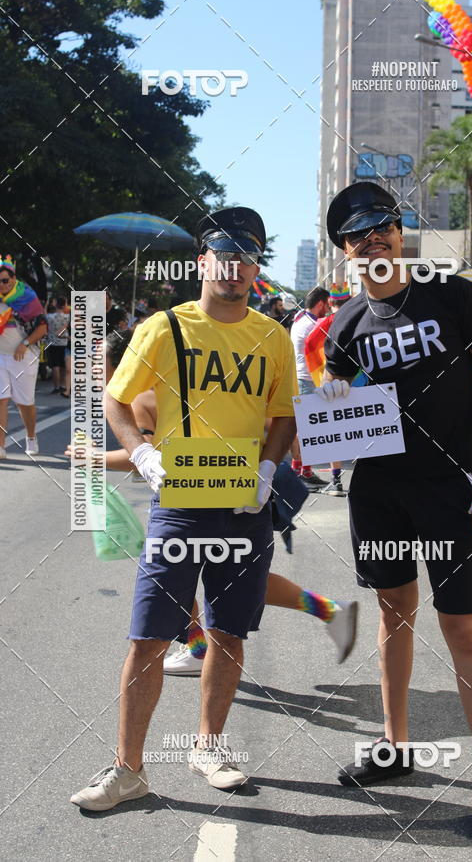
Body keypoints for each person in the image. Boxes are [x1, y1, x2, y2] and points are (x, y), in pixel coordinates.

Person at [71, 206, 298, 810]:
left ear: (256, 270)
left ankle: (208, 746)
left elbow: (283, 415)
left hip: (245, 512)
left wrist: (270, 469)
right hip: (179, 509)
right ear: (204, 262)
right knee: (148, 638)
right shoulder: (163, 328)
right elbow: (117, 401)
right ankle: (128, 770)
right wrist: (142, 456)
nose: (233, 267)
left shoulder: (273, 337)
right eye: (223, 255)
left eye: (246, 257)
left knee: (227, 633)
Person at [321, 183, 472, 847]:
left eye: (381, 225)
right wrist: (321, 440)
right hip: (377, 493)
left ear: (400, 232)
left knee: (462, 626)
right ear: (346, 253)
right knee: (391, 613)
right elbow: (339, 415)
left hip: (446, 490)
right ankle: (395, 746)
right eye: (357, 235)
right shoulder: (344, 327)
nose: (371, 239)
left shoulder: (456, 296)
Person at [89, 328, 358, 676]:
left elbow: (149, 463)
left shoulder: (143, 397)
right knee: (238, 576)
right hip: (250, 489)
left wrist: (94, 458)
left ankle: (200, 649)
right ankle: (329, 611)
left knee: (178, 577)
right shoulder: (184, 381)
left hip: (226, 493)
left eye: (100, 366)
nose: (97, 374)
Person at [303, 282, 352, 496]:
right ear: (348, 300)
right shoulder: (359, 316)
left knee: (335, 433)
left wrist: (321, 378)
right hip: (358, 383)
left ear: (330, 302)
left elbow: (310, 347)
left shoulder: (322, 324)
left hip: (331, 384)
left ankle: (337, 480)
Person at [0, 257, 47, 459]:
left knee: (24, 403)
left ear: (13, 279)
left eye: (4, 280)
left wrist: (25, 343)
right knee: (1, 399)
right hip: (1, 356)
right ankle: (1, 446)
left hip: (24, 357)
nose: (2, 284)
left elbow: (42, 327)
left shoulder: (27, 297)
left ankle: (30, 436)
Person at [289, 286, 331, 491]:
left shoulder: (299, 318)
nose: (328, 308)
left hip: (300, 378)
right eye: (328, 304)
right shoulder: (312, 324)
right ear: (321, 303)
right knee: (308, 428)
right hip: (308, 380)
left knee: (305, 428)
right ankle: (300, 472)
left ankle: (302, 470)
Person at [46, 295, 70, 395]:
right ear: (64, 305)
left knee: (55, 366)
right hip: (64, 343)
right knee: (63, 366)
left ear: (56, 304)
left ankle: (56, 387)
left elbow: (44, 314)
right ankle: (63, 386)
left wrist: (47, 303)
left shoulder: (49, 317)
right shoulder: (67, 317)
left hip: (52, 342)